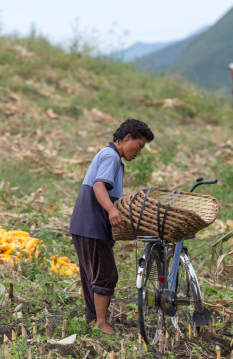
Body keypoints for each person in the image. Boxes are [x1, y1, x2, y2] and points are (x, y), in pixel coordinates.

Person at [69, 118, 155, 334]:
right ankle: (101, 323)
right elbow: (99, 186)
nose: (139, 152)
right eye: (140, 146)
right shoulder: (111, 156)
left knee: (92, 274)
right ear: (127, 138)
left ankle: (92, 319)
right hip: (92, 224)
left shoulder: (109, 155)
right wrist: (112, 210)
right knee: (106, 274)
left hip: (83, 224)